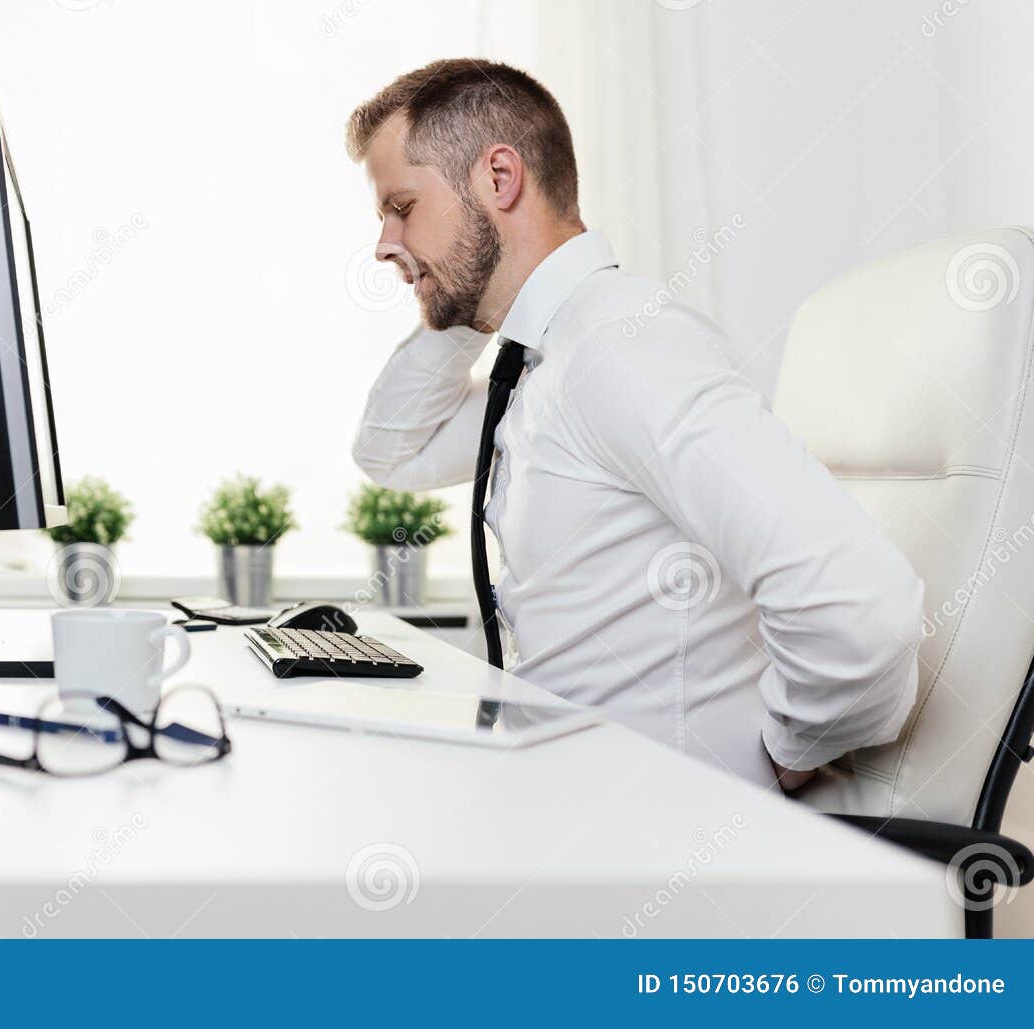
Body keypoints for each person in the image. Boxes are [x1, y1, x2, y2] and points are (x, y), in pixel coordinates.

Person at [348, 58, 922, 791]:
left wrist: (791, 747)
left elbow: (861, 602)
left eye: (402, 207)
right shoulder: (544, 361)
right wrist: (468, 289)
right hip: (563, 804)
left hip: (654, 839)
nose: (384, 244)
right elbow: (392, 450)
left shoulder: (621, 345)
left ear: (499, 179)